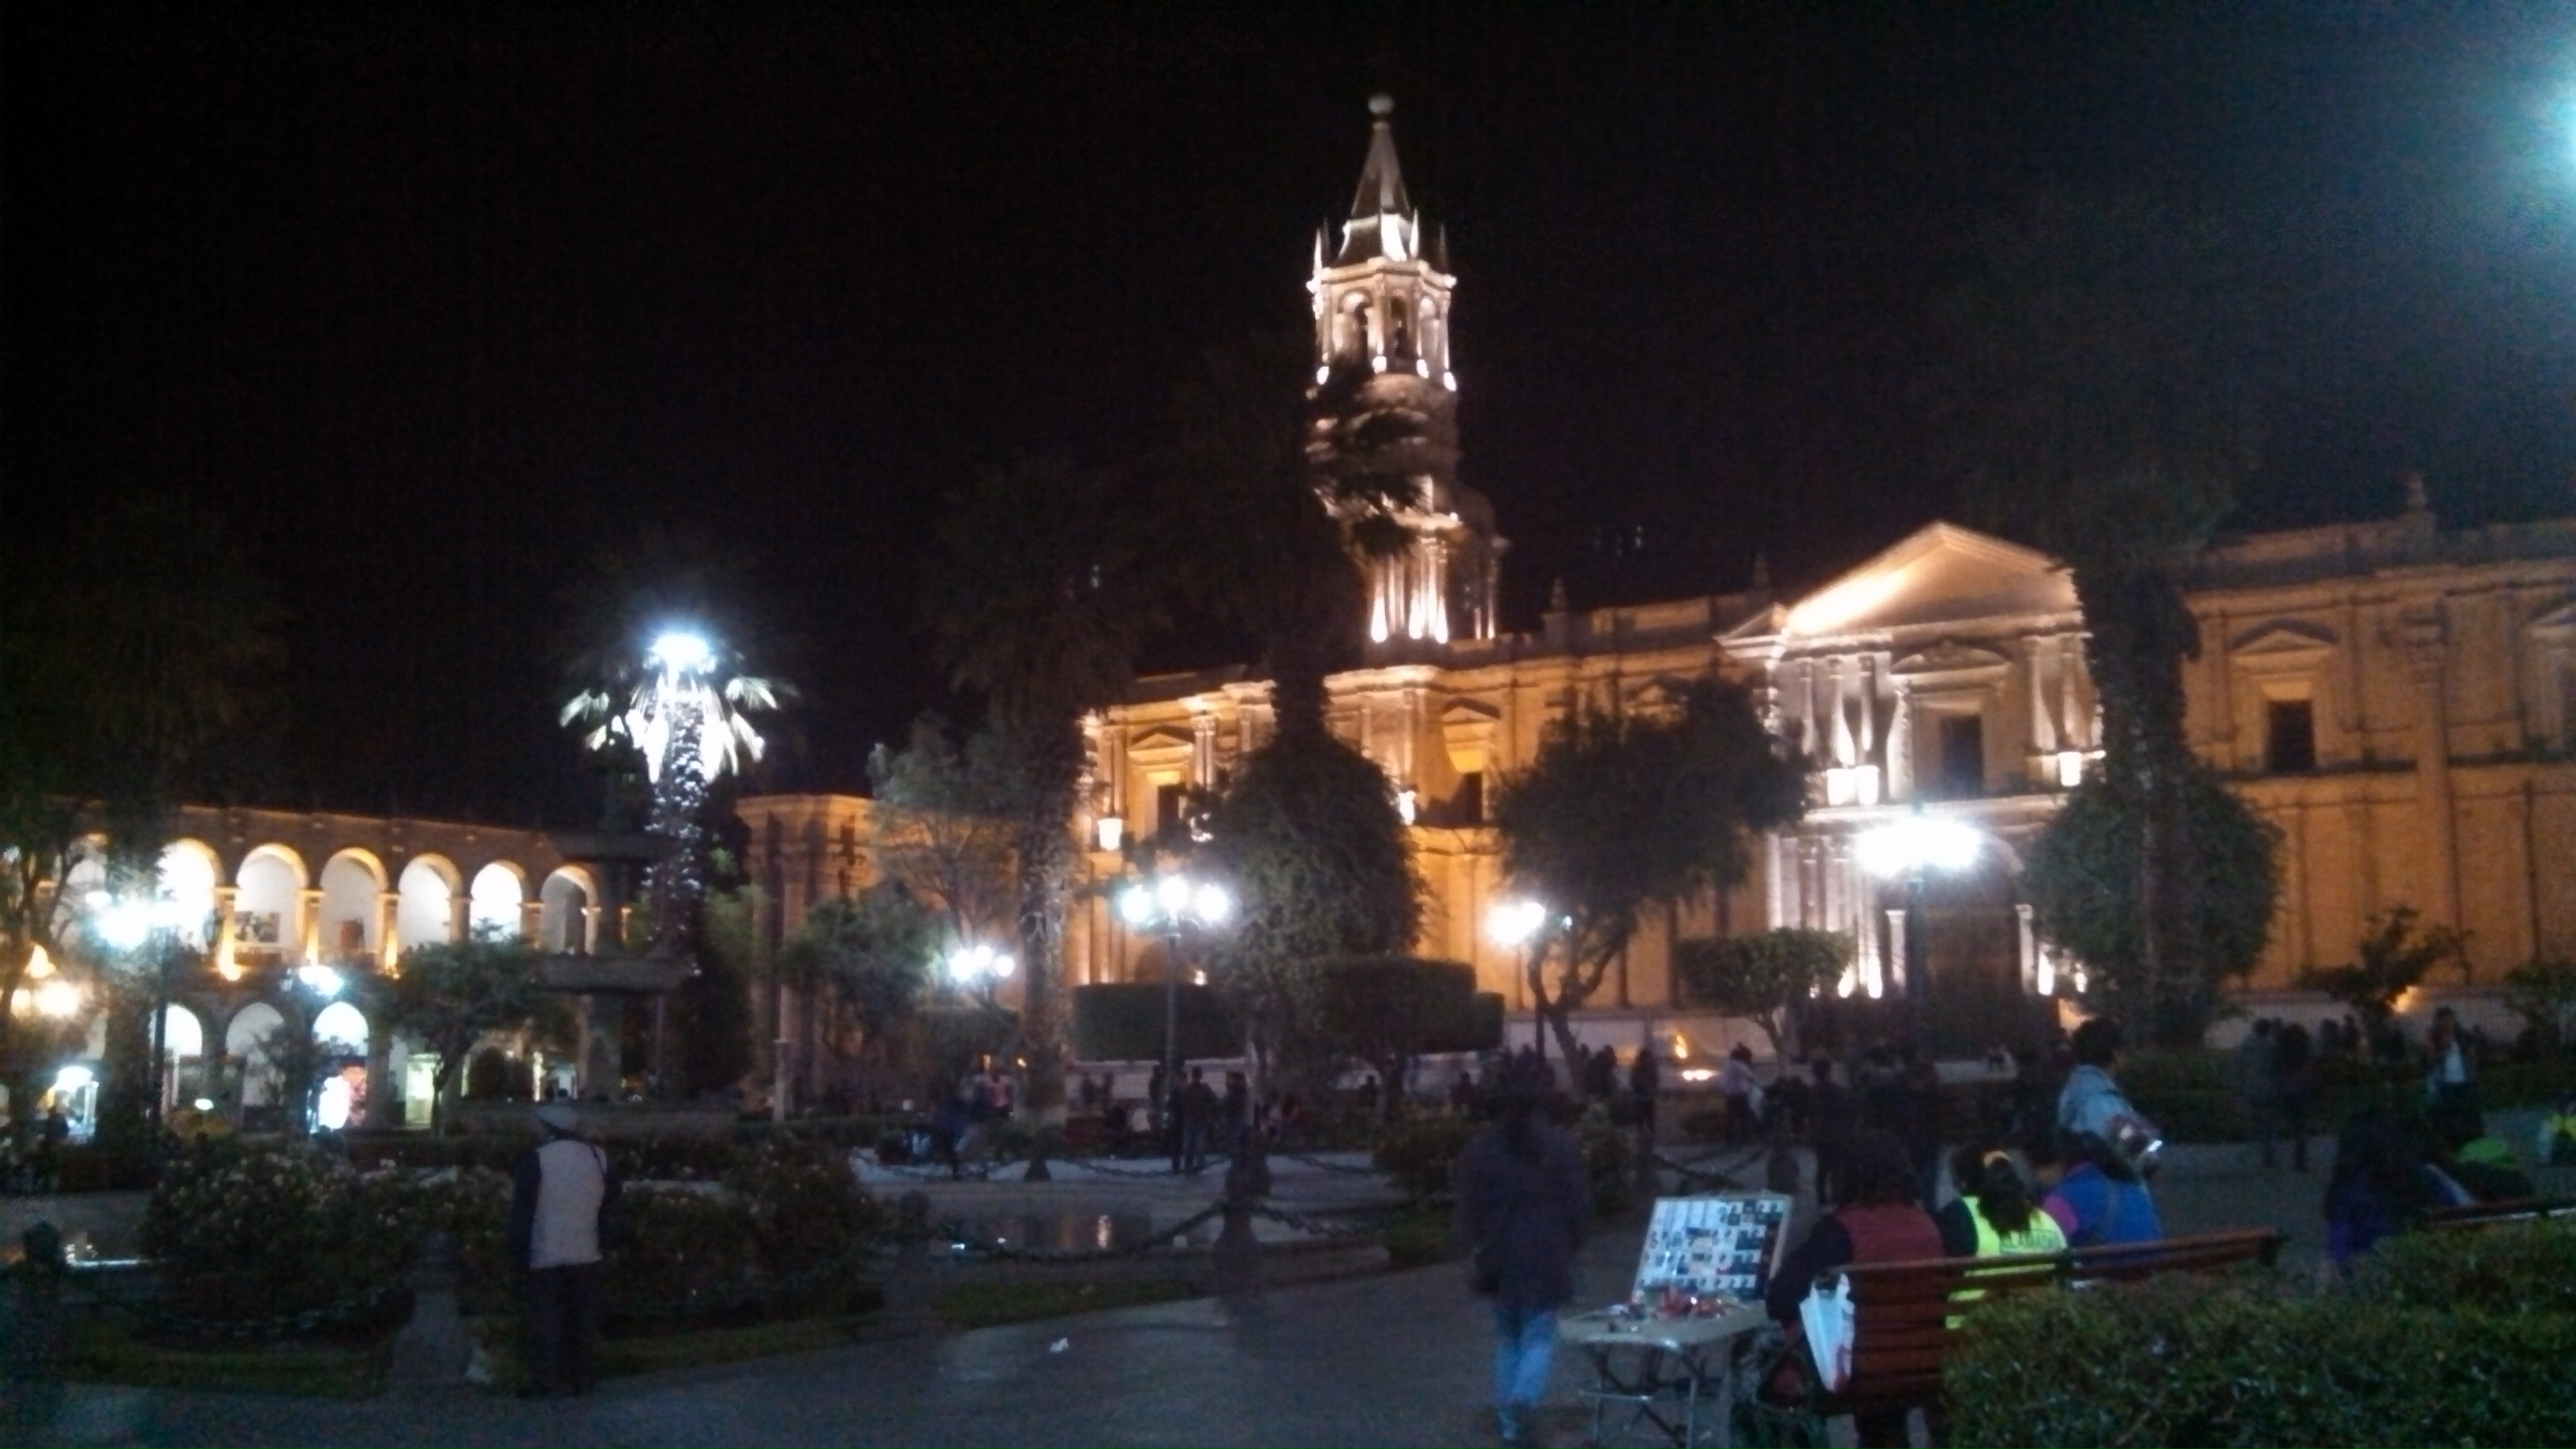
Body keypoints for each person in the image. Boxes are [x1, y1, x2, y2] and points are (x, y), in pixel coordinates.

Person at [1763, 1130, 1943, 1449]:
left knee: (1764, 1363)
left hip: (1856, 1371)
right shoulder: (1927, 1225)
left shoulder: (1841, 1231)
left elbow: (1779, 1299)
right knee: (1884, 1382)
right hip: (1920, 1363)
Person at [1455, 1084, 1589, 1446]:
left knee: (1509, 1337)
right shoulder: (1559, 1148)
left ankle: (1509, 1420)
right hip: (1547, 1251)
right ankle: (1523, 1398)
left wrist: (1475, 1247)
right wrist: (1573, 1242)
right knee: (1539, 1333)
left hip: (1500, 1254)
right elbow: (1577, 1204)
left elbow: (1469, 1208)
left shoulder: (1482, 1151)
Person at [507, 1103, 621, 1397]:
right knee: (582, 1318)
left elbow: (523, 1212)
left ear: (547, 1128)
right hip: (587, 1250)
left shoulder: (537, 1160)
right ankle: (583, 1377)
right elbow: (610, 1205)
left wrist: (516, 1255)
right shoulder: (599, 1158)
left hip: (545, 1249)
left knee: (545, 1318)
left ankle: (547, 1380)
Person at [2045, 1019, 2162, 1247]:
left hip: (2082, 1199)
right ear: (2116, 1053)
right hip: (2111, 1207)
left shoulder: (2074, 1090)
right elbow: (2143, 1157)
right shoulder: (2102, 1099)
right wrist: (2153, 1142)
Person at [2233, 1019, 2281, 1169]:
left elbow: (2238, 1065)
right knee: (2269, 1122)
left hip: (2252, 1087)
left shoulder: (2246, 1045)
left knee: (2257, 1121)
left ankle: (2261, 1150)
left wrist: (2238, 1087)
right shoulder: (2273, 1046)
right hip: (2269, 1088)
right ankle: (2268, 1153)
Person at [1805, 1056, 1851, 1205]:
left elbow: (1808, 1114)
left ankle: (1822, 1198)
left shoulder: (1812, 1092)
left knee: (1822, 1168)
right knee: (1836, 1168)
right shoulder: (1837, 1091)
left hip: (1820, 1134)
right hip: (1836, 1133)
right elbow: (1845, 1112)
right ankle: (1837, 1197)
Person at [2273, 1021, 2316, 1173]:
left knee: (2288, 1122)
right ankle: (2300, 1160)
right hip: (2302, 1088)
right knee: (2301, 1126)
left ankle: (2275, 1155)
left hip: (2286, 1089)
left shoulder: (2283, 1052)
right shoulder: (2305, 1052)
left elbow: (2277, 1070)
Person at [2423, 1006, 2478, 1121]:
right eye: (2443, 1021)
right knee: (2448, 1113)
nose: (2447, 1024)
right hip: (2444, 1082)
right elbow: (2430, 1059)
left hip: (2463, 1079)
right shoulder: (2433, 1037)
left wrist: (2473, 1067)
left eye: (2450, 1020)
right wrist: (2443, 1049)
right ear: (2438, 1022)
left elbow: (2471, 1054)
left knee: (2465, 1111)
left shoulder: (2462, 1035)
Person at [1180, 1067, 1219, 1173]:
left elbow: (1182, 1104)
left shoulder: (1189, 1089)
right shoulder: (1203, 1089)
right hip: (1197, 1120)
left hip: (1195, 1120)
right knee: (1197, 1146)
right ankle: (1196, 1166)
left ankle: (1190, 1166)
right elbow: (1214, 1102)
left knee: (1191, 1146)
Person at [1720, 1044, 1760, 1144]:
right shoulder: (1741, 1066)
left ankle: (1730, 1139)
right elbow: (1751, 1078)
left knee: (1731, 1119)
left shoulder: (1726, 1066)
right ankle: (1746, 1138)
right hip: (1740, 1095)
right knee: (1744, 1117)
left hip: (1729, 1095)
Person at [1627, 1046, 1661, 1139]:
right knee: (1643, 1114)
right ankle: (1643, 1131)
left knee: (1648, 1114)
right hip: (1641, 1095)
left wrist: (1652, 1088)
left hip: (1647, 1095)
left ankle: (1648, 1130)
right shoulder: (1639, 1068)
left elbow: (1655, 1079)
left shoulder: (1649, 1067)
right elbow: (1634, 1080)